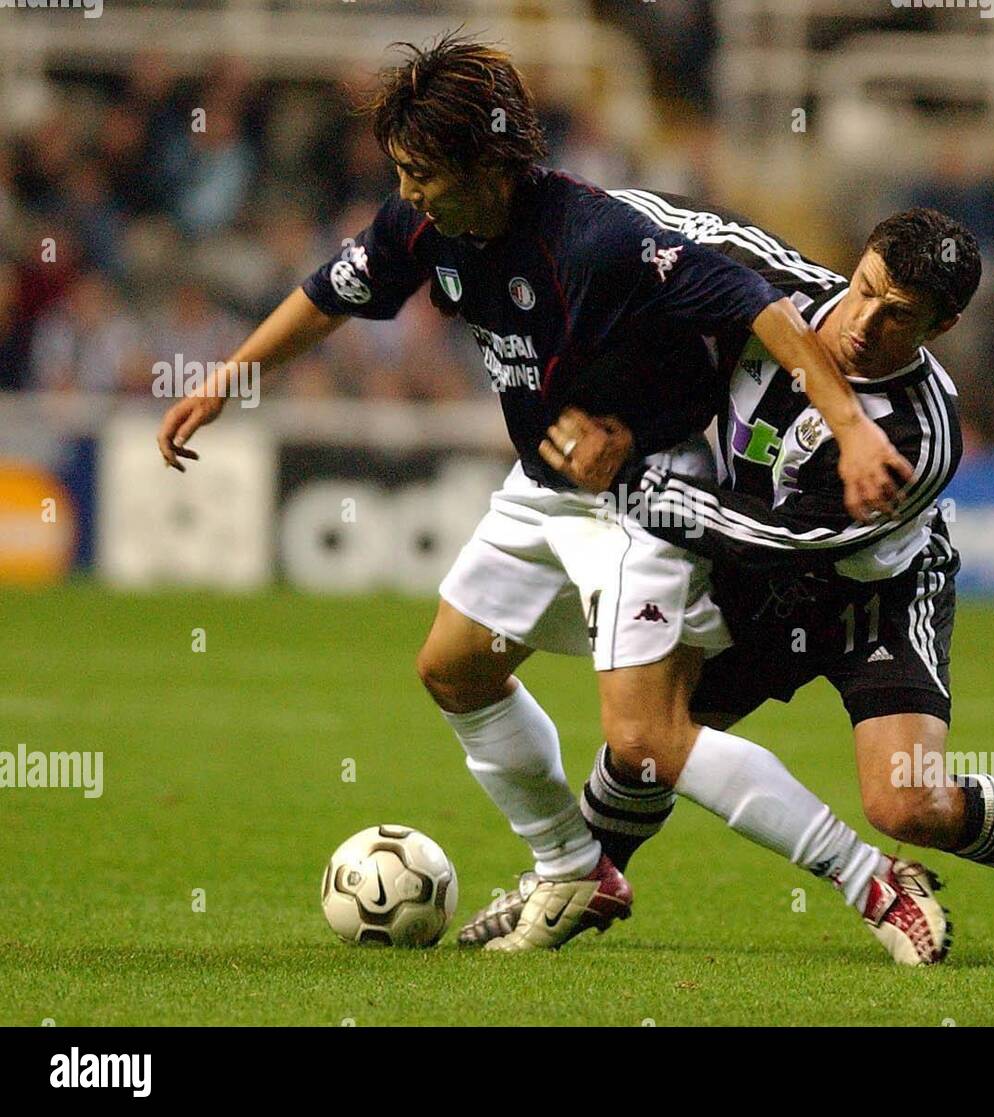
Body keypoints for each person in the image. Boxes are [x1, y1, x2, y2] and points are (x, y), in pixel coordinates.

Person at [155, 33, 947, 961]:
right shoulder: (421, 225)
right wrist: (228, 379)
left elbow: (756, 307)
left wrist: (850, 424)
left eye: (422, 171)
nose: (408, 189)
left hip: (644, 494)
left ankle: (874, 883)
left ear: (488, 164)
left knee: (649, 742)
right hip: (543, 484)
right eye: (401, 170)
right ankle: (573, 864)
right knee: (455, 668)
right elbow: (331, 294)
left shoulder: (600, 240)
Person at [486, 206, 994, 966]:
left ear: (944, 325)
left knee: (908, 803)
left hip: (875, 601)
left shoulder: (920, 433)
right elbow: (641, 220)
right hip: (760, 593)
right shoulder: (771, 285)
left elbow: (774, 538)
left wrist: (629, 481)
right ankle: (562, 888)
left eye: (899, 316)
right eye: (865, 288)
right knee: (645, 742)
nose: (865, 322)